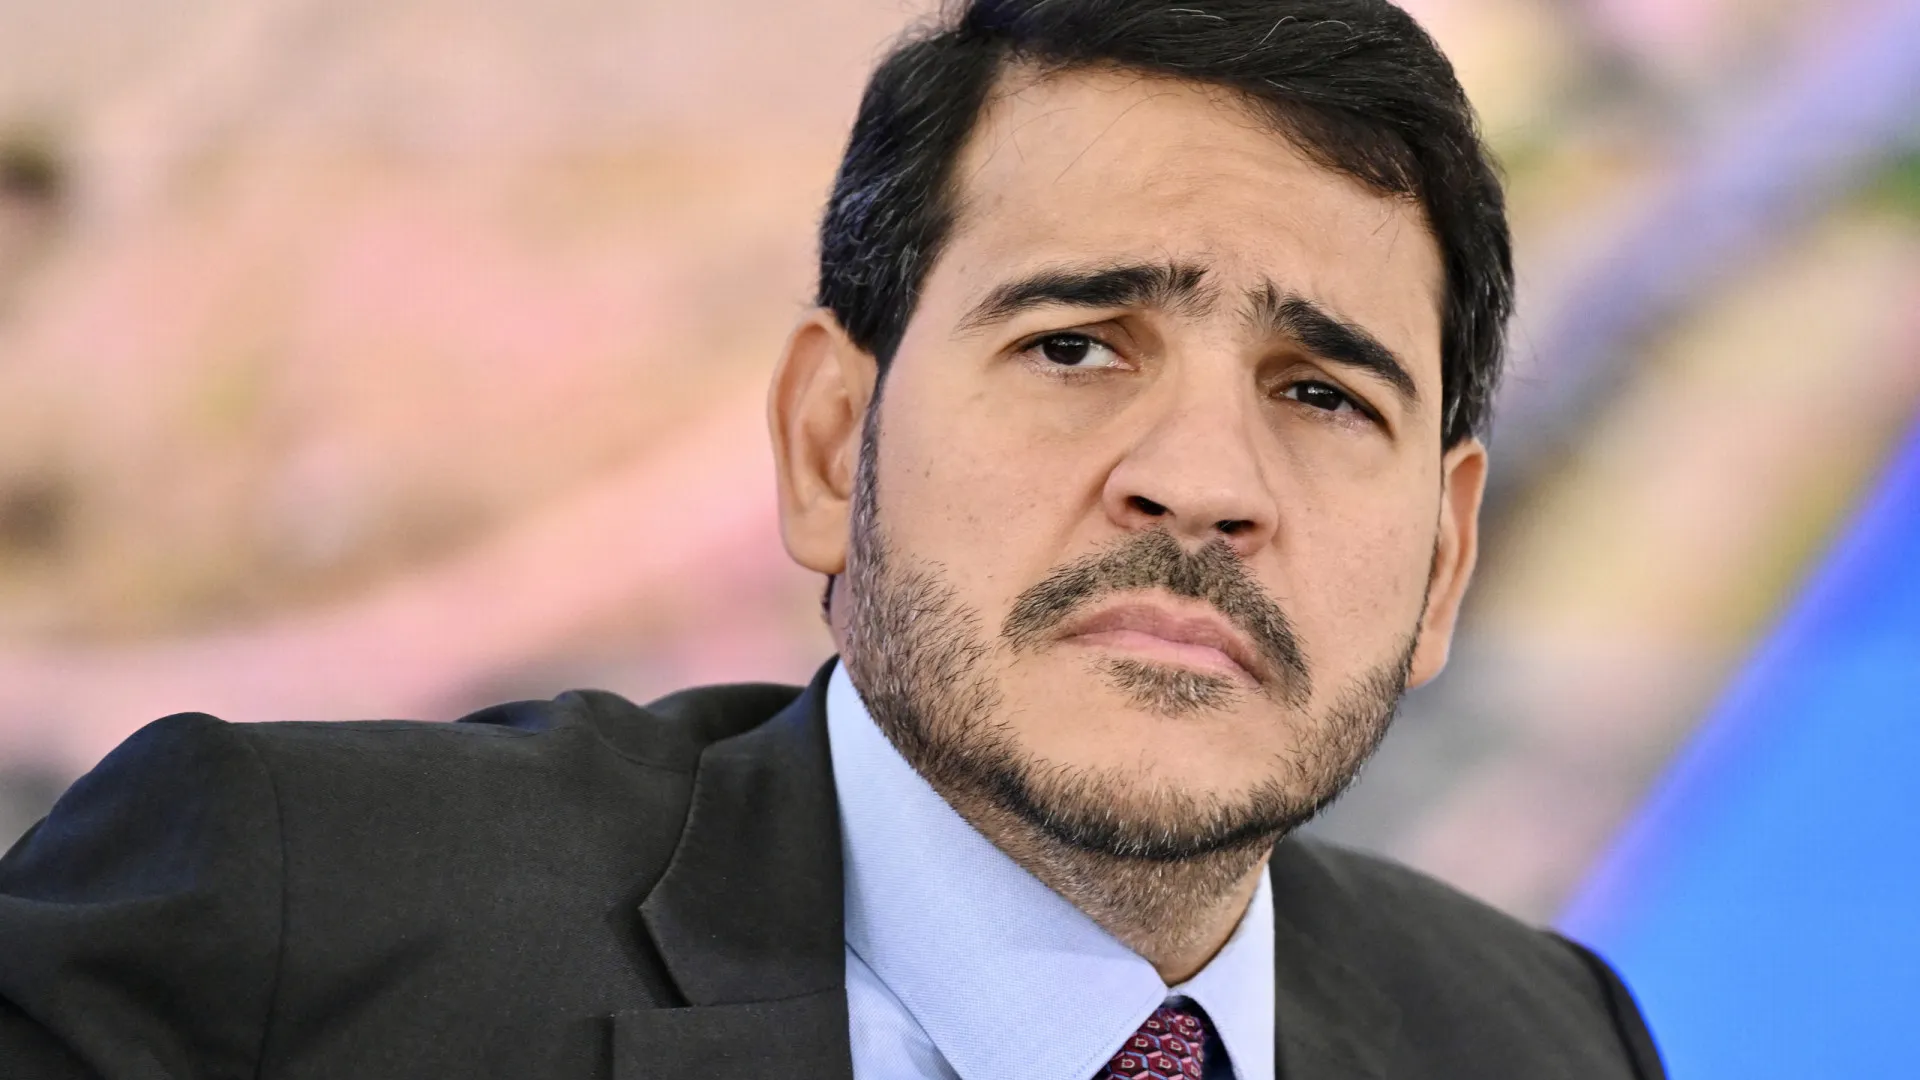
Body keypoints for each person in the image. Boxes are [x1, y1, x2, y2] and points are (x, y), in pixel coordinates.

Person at [0, 1, 1667, 1077]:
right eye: (1077, 346)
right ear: (826, 444)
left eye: (1320, 392)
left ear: (1443, 563)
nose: (1202, 482)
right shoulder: (295, 928)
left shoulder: (1546, 1042)